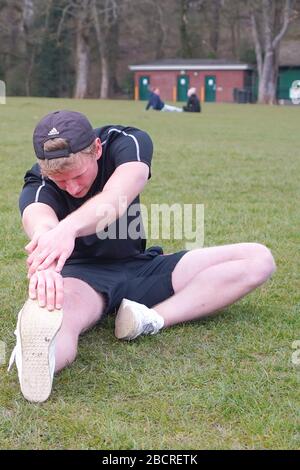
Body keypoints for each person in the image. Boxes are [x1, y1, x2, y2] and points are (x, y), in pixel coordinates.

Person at [8, 110, 276, 402]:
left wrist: (68, 229)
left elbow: (117, 196)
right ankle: (37, 356)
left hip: (141, 268)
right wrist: (46, 255)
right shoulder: (39, 180)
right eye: (61, 182)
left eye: (77, 176)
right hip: (83, 279)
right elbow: (39, 222)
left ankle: (147, 318)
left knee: (258, 259)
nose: (72, 187)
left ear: (96, 149)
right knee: (62, 321)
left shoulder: (126, 141)